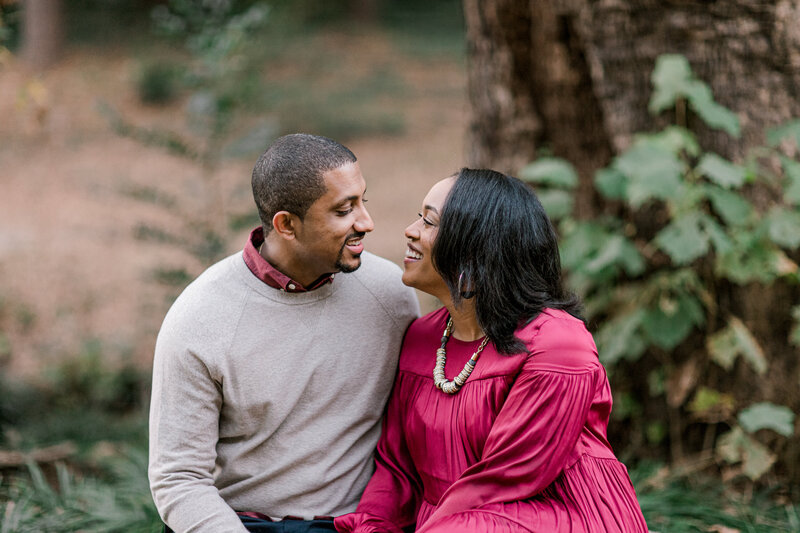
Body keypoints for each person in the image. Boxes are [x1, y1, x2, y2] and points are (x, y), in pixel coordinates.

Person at [335, 168, 649, 532]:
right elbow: (396, 470)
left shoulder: (558, 343)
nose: (411, 229)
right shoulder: (421, 338)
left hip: (555, 515)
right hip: (451, 523)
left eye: (429, 221)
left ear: (474, 246)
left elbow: (508, 477)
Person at [149, 134, 420, 533]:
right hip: (241, 524)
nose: (366, 222)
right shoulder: (200, 319)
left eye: (364, 201)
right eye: (344, 210)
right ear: (287, 224)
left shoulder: (390, 294)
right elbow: (179, 479)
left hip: (360, 524)